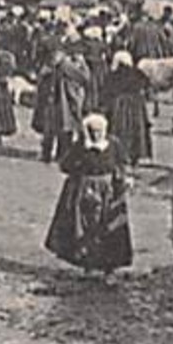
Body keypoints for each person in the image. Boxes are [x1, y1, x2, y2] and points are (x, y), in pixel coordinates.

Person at [44, 114, 132, 278]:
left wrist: (124, 179)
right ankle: (88, 266)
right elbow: (65, 165)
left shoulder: (113, 145)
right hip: (84, 194)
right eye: (92, 131)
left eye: (99, 131)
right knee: (84, 228)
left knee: (109, 228)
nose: (96, 135)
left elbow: (123, 164)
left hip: (108, 193)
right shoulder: (81, 146)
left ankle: (109, 269)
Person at [103, 50, 152, 166]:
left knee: (120, 130)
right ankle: (135, 155)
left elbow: (107, 90)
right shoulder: (137, 73)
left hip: (119, 106)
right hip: (136, 105)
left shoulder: (113, 75)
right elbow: (146, 83)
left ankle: (121, 155)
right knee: (136, 130)